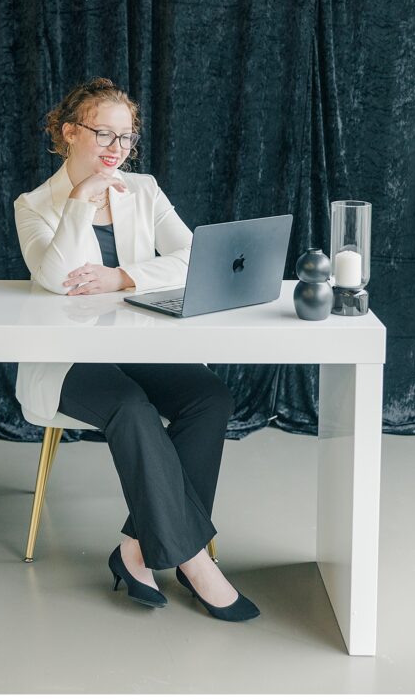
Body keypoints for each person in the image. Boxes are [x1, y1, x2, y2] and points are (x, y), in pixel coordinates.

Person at [14, 77, 259, 621]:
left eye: (126, 138)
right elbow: (55, 279)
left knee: (210, 399)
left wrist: (122, 276)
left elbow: (194, 255)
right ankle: (194, 559)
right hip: (69, 356)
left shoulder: (142, 189)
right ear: (69, 132)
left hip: (132, 343)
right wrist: (79, 203)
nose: (116, 149)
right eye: (104, 133)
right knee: (130, 407)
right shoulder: (34, 205)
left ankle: (138, 549)